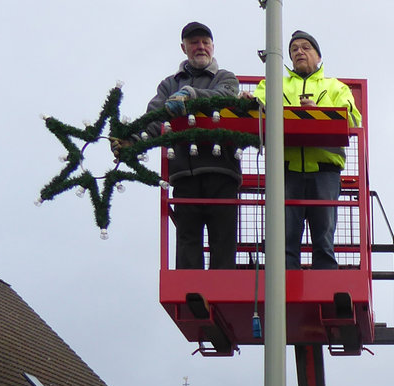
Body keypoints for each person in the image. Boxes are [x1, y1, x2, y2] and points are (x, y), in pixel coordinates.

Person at [253, 31, 361, 269]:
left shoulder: (336, 87)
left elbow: (352, 118)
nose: (299, 52)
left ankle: (325, 283)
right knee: (284, 239)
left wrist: (319, 112)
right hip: (286, 171)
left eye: (305, 47)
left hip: (324, 171)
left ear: (318, 56)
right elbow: (256, 107)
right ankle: (282, 290)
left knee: (323, 237)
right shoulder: (272, 83)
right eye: (294, 50)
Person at [145, 22, 242, 269]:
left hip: (222, 173)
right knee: (187, 240)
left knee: (223, 239)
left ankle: (222, 290)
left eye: (205, 42)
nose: (200, 47)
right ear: (183, 48)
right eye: (194, 43)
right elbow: (154, 120)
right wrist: (132, 139)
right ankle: (192, 295)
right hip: (184, 175)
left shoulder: (226, 78)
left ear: (212, 46)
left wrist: (191, 95)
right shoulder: (168, 85)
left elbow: (225, 97)